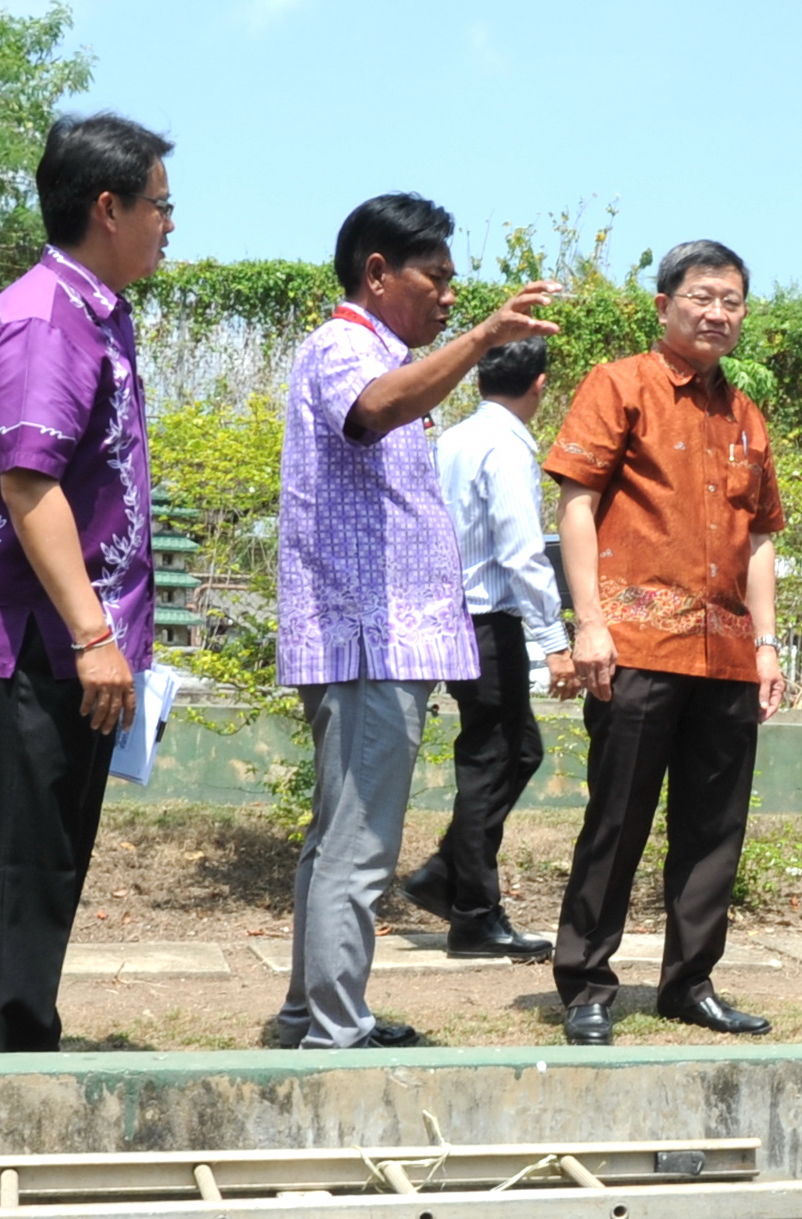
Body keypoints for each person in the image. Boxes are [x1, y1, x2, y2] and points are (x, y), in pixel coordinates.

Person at [269, 196, 561, 1051]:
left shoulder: (384, 353)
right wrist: (478, 339)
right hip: (366, 640)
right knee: (357, 847)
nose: (447, 297)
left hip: (385, 641)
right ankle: (335, 1029)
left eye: (452, 284)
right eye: (434, 279)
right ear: (376, 273)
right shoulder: (343, 347)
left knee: (338, 842)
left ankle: (310, 1014)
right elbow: (372, 410)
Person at [0, 112, 172, 1053]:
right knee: (18, 869)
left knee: (45, 868)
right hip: (31, 647)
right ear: (107, 208)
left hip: (65, 647)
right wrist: (93, 637)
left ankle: (22, 1049)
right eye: (162, 205)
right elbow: (28, 483)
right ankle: (4, 1075)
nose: (170, 224)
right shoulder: (47, 320)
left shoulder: (92, 314)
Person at [543, 240, 787, 1046]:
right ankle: (585, 983)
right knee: (617, 821)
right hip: (637, 643)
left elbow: (759, 542)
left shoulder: (746, 415)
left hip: (726, 652)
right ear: (664, 305)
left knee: (715, 829)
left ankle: (690, 982)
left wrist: (769, 644)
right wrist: (588, 624)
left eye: (733, 301)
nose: (718, 313)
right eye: (703, 296)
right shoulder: (620, 385)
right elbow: (577, 506)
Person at [403, 337, 575, 962]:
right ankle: (474, 914)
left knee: (511, 751)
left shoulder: (453, 438)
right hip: (486, 617)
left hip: (451, 615)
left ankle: (446, 876)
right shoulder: (505, 447)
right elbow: (523, 552)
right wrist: (555, 641)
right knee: (495, 759)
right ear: (539, 386)